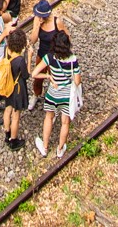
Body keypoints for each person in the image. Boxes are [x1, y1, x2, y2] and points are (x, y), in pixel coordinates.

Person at [33, 29, 78, 158]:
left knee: (49, 117)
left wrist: (48, 76)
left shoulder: (49, 57)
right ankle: (60, 149)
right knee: (65, 122)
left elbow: (34, 73)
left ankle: (45, 147)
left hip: (53, 93)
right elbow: (77, 81)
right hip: (67, 95)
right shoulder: (73, 59)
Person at [0, 28, 31, 148]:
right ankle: (14, 140)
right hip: (17, 89)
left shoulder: (7, 51)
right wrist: (29, 57)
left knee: (8, 109)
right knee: (16, 116)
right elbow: (26, 75)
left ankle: (7, 133)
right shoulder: (20, 60)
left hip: (8, 86)